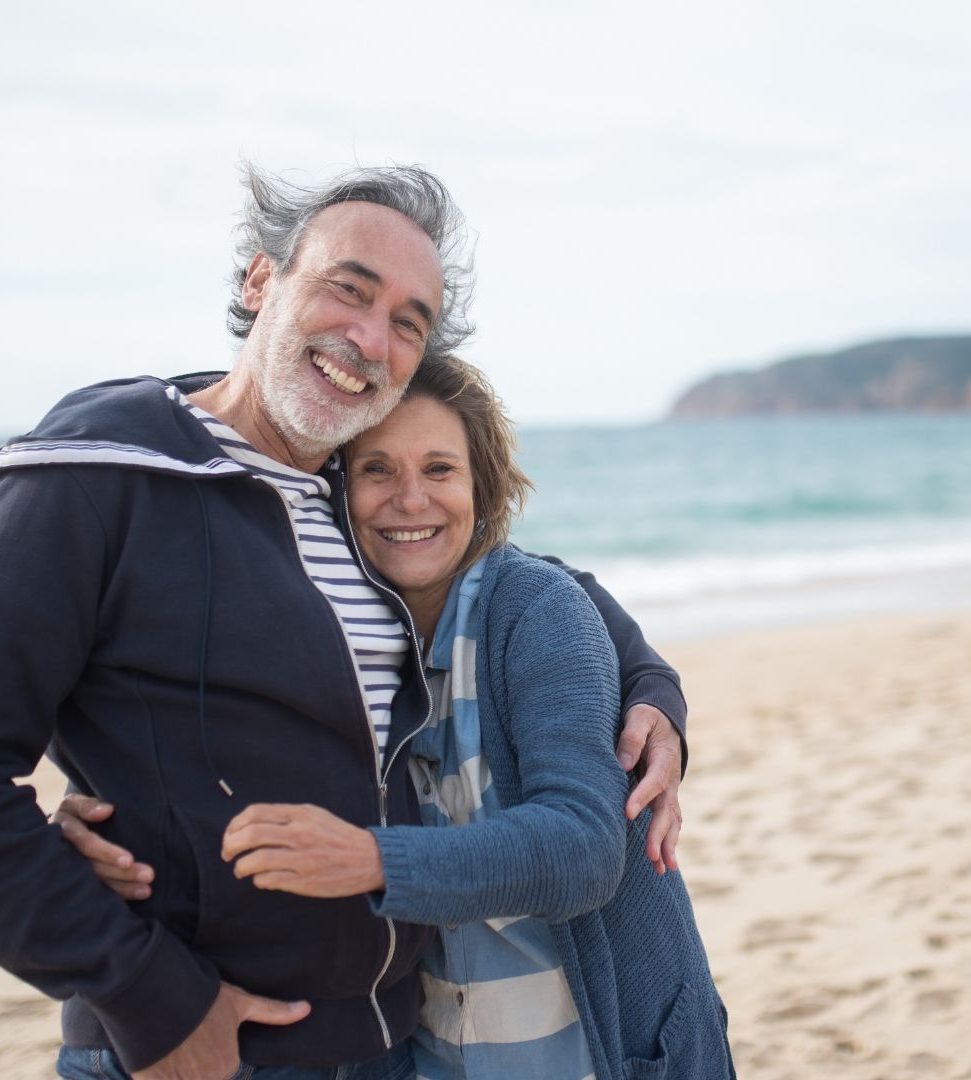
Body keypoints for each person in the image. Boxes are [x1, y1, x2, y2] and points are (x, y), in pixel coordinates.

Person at [0, 164, 690, 1080]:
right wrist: (149, 996)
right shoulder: (98, 475)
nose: (369, 338)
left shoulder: (346, 492)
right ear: (261, 281)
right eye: (348, 290)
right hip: (209, 1051)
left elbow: (522, 581)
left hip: (396, 1044)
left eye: (405, 323)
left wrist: (651, 688)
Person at [68, 355, 733, 1080]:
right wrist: (107, 816)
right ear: (332, 491)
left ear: (482, 484)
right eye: (377, 470)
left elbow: (584, 850)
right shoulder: (326, 639)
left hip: (600, 1053)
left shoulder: (535, 611)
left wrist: (372, 860)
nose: (410, 499)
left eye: (440, 469)